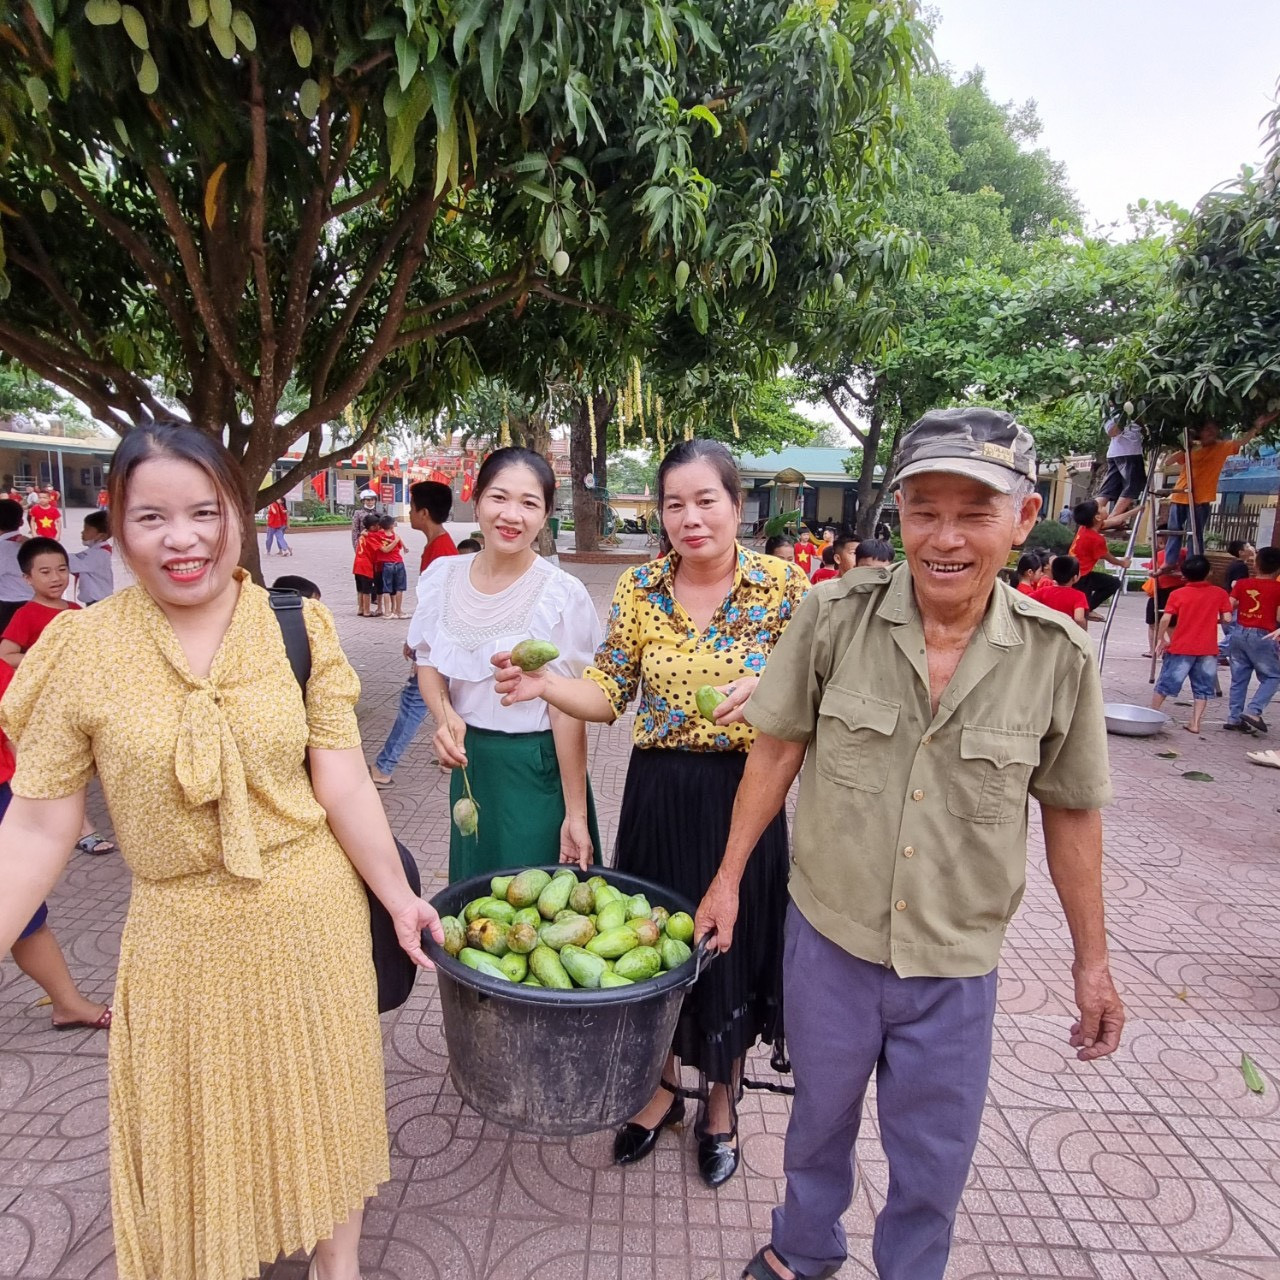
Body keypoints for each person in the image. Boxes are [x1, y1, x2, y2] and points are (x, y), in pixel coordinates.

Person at [0, 420, 442, 1280]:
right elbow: (37, 827)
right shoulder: (80, 649)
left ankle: (335, 1262)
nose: (183, 539)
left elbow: (344, 784)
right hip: (180, 931)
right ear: (117, 525)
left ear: (237, 515)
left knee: (328, 1101)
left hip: (311, 912)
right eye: (151, 517)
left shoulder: (295, 624)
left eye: (204, 512)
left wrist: (396, 897)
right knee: (192, 1129)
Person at [691, 407, 1122, 1280]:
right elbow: (777, 749)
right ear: (897, 514)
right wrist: (728, 877)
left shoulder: (1058, 655)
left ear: (1025, 517)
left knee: (934, 1158)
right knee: (818, 1122)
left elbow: (1073, 811)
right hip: (831, 939)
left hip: (956, 963)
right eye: (925, 511)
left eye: (976, 512)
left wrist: (1093, 961)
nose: (946, 538)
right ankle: (804, 1249)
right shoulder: (833, 616)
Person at [493, 438, 810, 1190]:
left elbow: (813, 693)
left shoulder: (785, 587)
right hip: (659, 791)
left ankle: (722, 1105)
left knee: (729, 942)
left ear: (738, 505)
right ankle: (662, 1089)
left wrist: (770, 696)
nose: (691, 518)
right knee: (653, 949)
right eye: (674, 504)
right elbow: (607, 692)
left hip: (748, 788)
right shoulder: (640, 588)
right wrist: (544, 687)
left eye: (707, 501)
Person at [410, 447, 602, 880]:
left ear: (546, 514)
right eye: (499, 498)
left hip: (536, 768)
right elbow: (428, 661)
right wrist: (445, 718)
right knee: (476, 914)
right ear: (476, 500)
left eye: (529, 503)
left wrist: (575, 814)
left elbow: (567, 707)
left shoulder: (561, 594)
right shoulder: (442, 577)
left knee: (537, 907)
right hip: (472, 766)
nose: (511, 515)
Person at [370, 481, 458, 790]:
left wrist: (419, 645)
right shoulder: (438, 547)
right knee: (441, 703)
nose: (409, 512)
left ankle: (383, 767)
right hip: (439, 645)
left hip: (436, 646)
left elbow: (437, 608)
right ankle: (454, 759)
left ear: (423, 512)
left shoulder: (442, 551)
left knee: (414, 702)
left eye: (412, 507)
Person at [1162, 412, 1276, 563]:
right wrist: (1186, 447)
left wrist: (1257, 426)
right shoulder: (1191, 448)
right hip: (1180, 495)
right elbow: (1167, 462)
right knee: (1173, 531)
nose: (1212, 432)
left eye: (1214, 429)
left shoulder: (1222, 447)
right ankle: (1169, 562)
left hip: (1200, 499)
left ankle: (1193, 564)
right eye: (1208, 429)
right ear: (1199, 432)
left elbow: (1242, 442)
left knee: (1195, 535)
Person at [1151, 555, 1233, 735]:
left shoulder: (1177, 594)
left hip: (1181, 647)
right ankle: (1195, 723)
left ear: (1184, 575)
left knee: (1166, 683)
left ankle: (1151, 716)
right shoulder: (1219, 593)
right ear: (1209, 572)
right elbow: (1227, 618)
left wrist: (1161, 638)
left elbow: (1166, 618)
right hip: (1208, 649)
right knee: (1203, 688)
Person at [0, 536, 80, 669]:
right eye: (45, 572)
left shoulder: (75, 609)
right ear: (28, 578)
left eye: (62, 570)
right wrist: (47, 659)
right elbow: (5, 655)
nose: (55, 578)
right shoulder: (26, 614)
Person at [1224, 545, 1280, 735]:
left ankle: (1234, 717)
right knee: (1274, 675)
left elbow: (1229, 607)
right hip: (1264, 634)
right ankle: (1254, 710)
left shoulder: (1242, 584)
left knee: (1239, 678)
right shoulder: (1278, 588)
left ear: (1256, 565)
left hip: (1239, 633)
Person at [1069, 499, 1130, 613]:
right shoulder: (1096, 539)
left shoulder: (1083, 528)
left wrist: (1135, 511)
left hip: (1077, 573)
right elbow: (1107, 556)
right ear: (1097, 517)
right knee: (1113, 584)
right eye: (1101, 508)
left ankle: (1087, 609)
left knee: (1111, 583)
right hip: (1081, 578)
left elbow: (1115, 521)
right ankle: (1088, 610)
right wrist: (1123, 563)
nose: (1104, 508)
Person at [1097, 413, 1147, 529]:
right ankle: (1110, 520)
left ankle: (1091, 518)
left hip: (1116, 453)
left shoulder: (1110, 408)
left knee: (1108, 489)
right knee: (1132, 486)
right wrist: (1127, 416)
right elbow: (1111, 431)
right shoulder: (1119, 409)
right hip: (1130, 452)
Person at [1142, 533, 1183, 657]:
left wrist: (1162, 572)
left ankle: (1169, 648)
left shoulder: (1180, 554)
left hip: (1168, 590)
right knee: (1155, 621)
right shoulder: (1183, 553)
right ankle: (1156, 649)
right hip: (1161, 590)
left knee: (1168, 622)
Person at [0, 497, 31, 632]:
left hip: (9, 607)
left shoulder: (3, 548)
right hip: (35, 603)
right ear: (21, 521)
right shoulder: (31, 545)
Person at [71, 509, 114, 605]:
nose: (82, 532)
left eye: (87, 529)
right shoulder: (95, 551)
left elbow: (74, 563)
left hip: (99, 601)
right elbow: (77, 557)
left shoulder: (100, 554)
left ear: (101, 535)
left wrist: (55, 554)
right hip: (96, 599)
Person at [1035, 555, 1089, 630]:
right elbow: (1079, 619)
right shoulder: (1079, 596)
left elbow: (1025, 599)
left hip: (1046, 632)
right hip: (1066, 634)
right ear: (1075, 577)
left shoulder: (1043, 591)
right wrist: (1084, 631)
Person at [374, 514, 407, 619]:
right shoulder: (395, 537)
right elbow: (387, 549)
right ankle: (398, 611)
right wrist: (395, 541)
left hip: (388, 564)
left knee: (387, 589)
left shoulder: (378, 535)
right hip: (397, 562)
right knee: (399, 588)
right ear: (392, 525)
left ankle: (388, 612)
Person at [353, 511, 381, 617]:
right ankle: (367, 611)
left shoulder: (363, 535)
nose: (379, 527)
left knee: (360, 589)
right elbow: (379, 549)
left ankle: (360, 608)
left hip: (357, 565)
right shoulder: (371, 537)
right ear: (373, 527)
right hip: (366, 566)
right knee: (367, 591)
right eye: (378, 525)